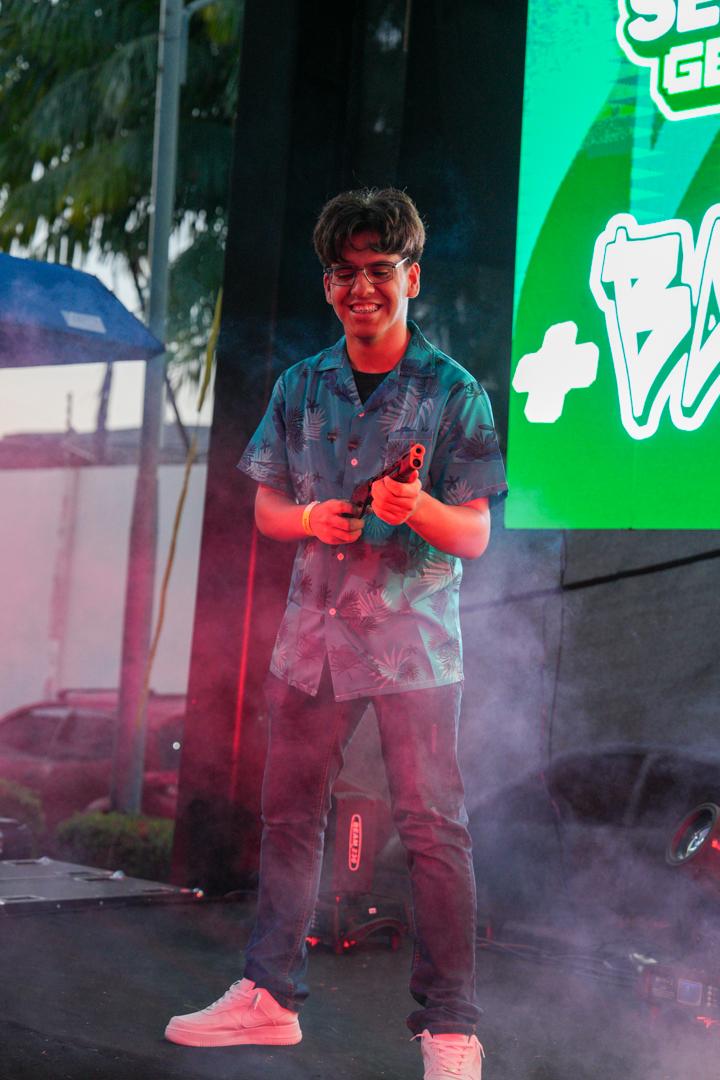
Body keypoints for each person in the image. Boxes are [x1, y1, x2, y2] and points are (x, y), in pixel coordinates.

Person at [165, 187, 508, 1079]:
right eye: (345, 273)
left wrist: (417, 506)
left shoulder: (453, 391)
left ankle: (451, 1031)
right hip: (311, 642)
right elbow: (269, 508)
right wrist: (312, 518)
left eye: (379, 270)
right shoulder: (299, 385)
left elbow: (475, 533)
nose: (363, 287)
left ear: (411, 278)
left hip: (413, 648)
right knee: (288, 820)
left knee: (433, 830)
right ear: (328, 285)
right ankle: (269, 998)